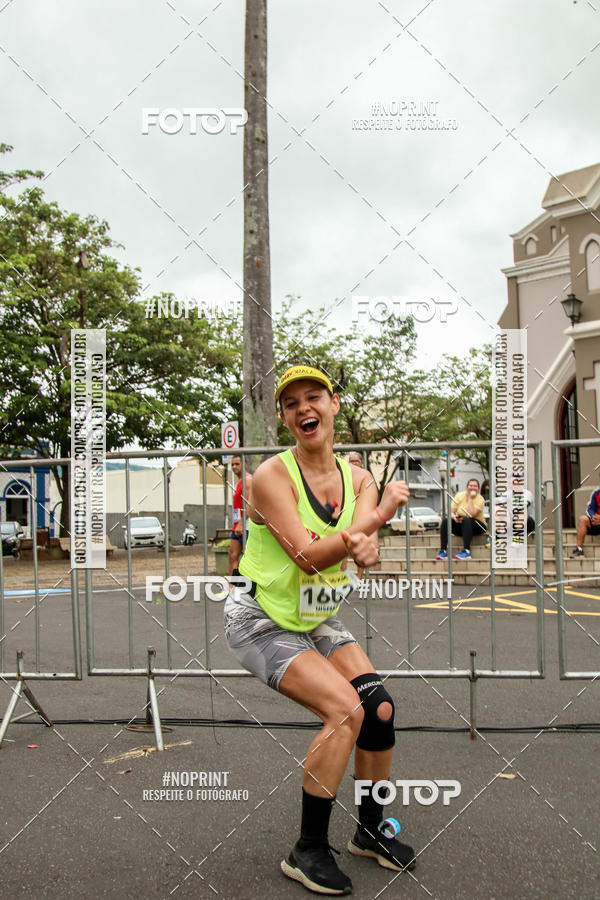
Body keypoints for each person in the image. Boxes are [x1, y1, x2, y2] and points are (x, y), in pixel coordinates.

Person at [224, 365, 416, 895]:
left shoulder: (359, 479)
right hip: (260, 619)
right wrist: (375, 521)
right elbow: (309, 555)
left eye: (314, 397)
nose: (304, 408)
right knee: (344, 711)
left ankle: (371, 832)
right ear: (286, 419)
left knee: (377, 708)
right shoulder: (271, 477)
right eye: (291, 404)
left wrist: (367, 547)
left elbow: (357, 551)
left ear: (333, 404)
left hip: (314, 613)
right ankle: (307, 850)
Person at [436, 478, 487, 560]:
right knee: (446, 520)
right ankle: (443, 551)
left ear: (478, 489)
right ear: (467, 487)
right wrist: (455, 518)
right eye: (471, 485)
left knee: (467, 520)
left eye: (475, 486)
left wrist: (470, 498)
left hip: (478, 526)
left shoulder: (480, 499)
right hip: (463, 525)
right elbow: (451, 512)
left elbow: (471, 514)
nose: (473, 487)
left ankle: (466, 551)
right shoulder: (459, 496)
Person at [228, 454, 252, 578]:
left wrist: (241, 524)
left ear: (244, 464)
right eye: (232, 464)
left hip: (246, 526)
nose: (234, 467)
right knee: (232, 555)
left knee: (248, 559)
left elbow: (250, 504)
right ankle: (232, 587)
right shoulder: (240, 481)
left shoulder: (248, 480)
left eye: (237, 464)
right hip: (237, 525)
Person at [571, 487, 600, 556]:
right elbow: (590, 509)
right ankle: (579, 549)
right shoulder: (596, 492)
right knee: (582, 519)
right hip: (597, 522)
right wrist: (594, 517)